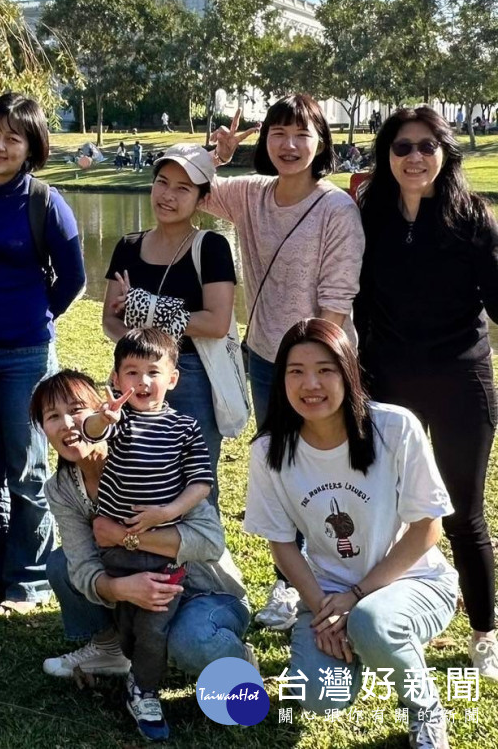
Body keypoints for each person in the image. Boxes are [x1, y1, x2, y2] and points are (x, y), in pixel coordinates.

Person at [244, 318, 457, 749]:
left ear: (348, 370)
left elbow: (426, 528)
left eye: (325, 369)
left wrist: (356, 598)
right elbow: (282, 544)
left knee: (374, 622)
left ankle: (424, 707)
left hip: (412, 582)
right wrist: (323, 608)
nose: (311, 384)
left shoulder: (394, 428)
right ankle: (358, 641)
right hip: (328, 594)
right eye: (296, 371)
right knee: (319, 698)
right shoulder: (269, 451)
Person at [206, 97, 365, 631]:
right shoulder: (250, 195)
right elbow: (186, 189)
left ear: (321, 142)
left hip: (321, 360)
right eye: (278, 132)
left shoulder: (336, 209)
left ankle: (338, 574)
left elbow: (337, 296)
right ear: (265, 141)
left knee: (326, 465)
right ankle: (288, 581)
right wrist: (215, 159)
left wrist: (319, 367)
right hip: (265, 355)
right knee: (280, 463)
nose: (289, 144)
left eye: (302, 133)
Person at [356, 106, 498, 679]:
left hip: (461, 381)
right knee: (388, 507)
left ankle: (486, 632)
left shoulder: (472, 218)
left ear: (445, 152)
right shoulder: (371, 215)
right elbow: (357, 298)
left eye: (426, 146)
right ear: (387, 156)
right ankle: (391, 609)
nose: (414, 157)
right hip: (388, 381)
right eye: (401, 147)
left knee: (463, 513)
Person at [33, 371, 252, 724]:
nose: (68, 425)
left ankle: (237, 657)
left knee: (189, 644)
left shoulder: (154, 452)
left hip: (201, 589)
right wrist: (121, 589)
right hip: (131, 582)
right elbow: (83, 564)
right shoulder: (62, 487)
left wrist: (124, 537)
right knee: (62, 564)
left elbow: (211, 542)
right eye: (52, 417)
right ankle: (111, 649)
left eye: (77, 410)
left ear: (105, 413)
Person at [0, 92, 85, 613]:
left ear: (31, 147)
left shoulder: (44, 201)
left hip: (26, 352)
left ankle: (30, 578)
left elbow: (74, 277)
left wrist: (38, 316)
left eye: (13, 137)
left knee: (27, 466)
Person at [77, 329, 213, 740]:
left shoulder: (185, 428)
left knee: (154, 625)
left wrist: (166, 512)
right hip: (115, 555)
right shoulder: (116, 423)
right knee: (129, 622)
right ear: (117, 379)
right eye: (131, 372)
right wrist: (104, 417)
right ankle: (132, 663)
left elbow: (201, 483)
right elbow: (89, 433)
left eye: (153, 372)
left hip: (163, 554)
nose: (142, 381)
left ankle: (144, 688)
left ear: (172, 378)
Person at [103, 145, 236, 503]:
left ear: (201, 197)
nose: (168, 195)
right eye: (162, 182)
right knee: (131, 470)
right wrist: (138, 356)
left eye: (183, 188)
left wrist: (144, 308)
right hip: (133, 375)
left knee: (196, 481)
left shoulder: (211, 247)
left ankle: (199, 558)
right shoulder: (128, 246)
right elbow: (110, 319)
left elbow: (216, 322)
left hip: (192, 372)